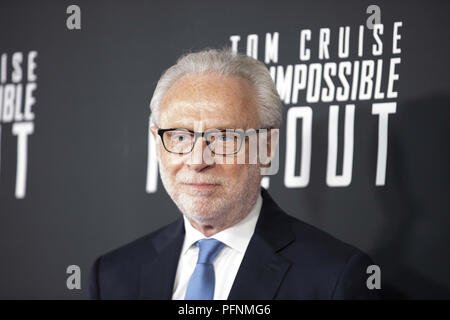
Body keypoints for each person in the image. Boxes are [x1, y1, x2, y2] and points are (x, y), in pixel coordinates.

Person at [89, 49, 379, 300]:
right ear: (156, 143)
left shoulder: (335, 278)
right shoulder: (113, 276)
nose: (197, 160)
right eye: (180, 137)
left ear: (266, 147)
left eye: (224, 138)